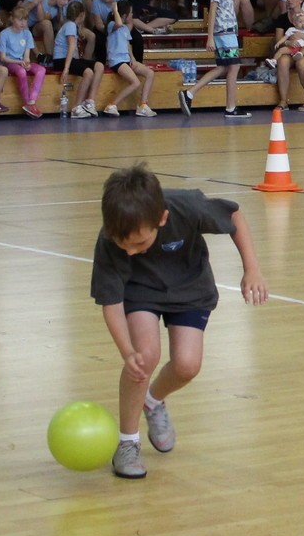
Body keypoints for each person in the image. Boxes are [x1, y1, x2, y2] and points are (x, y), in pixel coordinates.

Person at [90, 164, 268, 480]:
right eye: (122, 244)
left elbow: (235, 216)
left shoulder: (187, 207)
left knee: (187, 365)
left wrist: (251, 269)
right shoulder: (109, 239)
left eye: (139, 244)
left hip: (190, 289)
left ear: (162, 219)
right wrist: (127, 352)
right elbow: (112, 304)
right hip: (140, 291)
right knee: (145, 357)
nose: (129, 251)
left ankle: (152, 401)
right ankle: (127, 443)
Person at [177, 0, 249, 120]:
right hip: (223, 31)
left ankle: (190, 93)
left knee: (224, 67)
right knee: (234, 66)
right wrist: (210, 37)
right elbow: (213, 9)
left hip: (228, 30)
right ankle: (230, 107)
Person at [97, 0, 156, 117]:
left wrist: (132, 59)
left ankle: (143, 105)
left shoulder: (125, 28)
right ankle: (112, 105)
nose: (132, 15)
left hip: (126, 59)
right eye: (131, 13)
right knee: (135, 82)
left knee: (150, 73)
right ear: (124, 15)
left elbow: (128, 45)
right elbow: (118, 23)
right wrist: (115, 10)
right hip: (116, 61)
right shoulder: (111, 25)